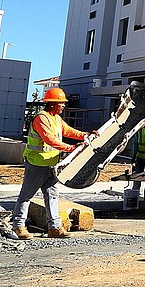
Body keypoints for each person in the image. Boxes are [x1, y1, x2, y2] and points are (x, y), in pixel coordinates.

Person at [12, 88, 95, 240]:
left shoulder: (56, 118)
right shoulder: (41, 118)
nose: (63, 105)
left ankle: (55, 227)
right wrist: (70, 148)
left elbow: (68, 131)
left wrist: (86, 135)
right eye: (61, 103)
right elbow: (49, 139)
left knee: (52, 195)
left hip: (51, 164)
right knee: (26, 195)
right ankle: (18, 226)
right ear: (51, 104)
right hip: (37, 163)